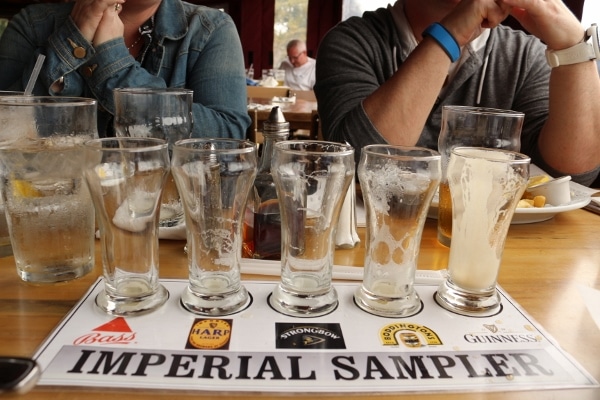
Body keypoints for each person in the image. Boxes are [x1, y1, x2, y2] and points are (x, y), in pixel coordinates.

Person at [315, 0, 600, 186]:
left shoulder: (525, 55)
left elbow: (571, 178)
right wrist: (449, 34)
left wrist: (574, 47)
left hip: (501, 254)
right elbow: (356, 168)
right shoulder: (352, 41)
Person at [0, 0, 250, 139]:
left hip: (167, 215)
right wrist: (71, 39)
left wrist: (112, 61)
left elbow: (227, 138)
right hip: (52, 207)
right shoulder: (33, 25)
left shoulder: (210, 29)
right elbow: (5, 129)